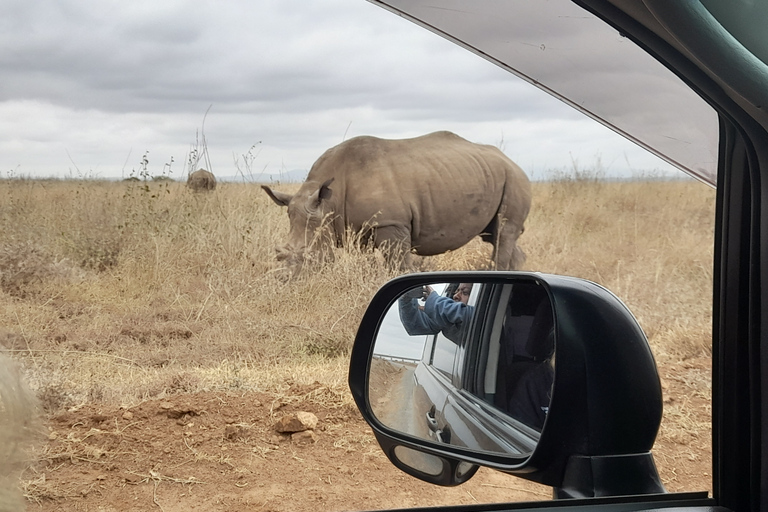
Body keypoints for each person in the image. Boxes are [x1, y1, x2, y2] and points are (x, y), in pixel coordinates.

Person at [398, 283, 474, 343]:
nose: (455, 296)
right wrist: (406, 297)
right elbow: (414, 325)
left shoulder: (480, 318)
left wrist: (434, 302)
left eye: (465, 292)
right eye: (456, 291)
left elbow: (471, 315)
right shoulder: (448, 321)